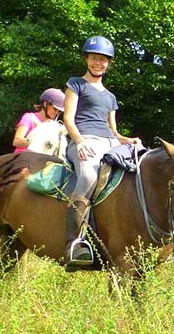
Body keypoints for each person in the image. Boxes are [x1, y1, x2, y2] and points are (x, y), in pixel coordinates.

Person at [63, 35, 141, 267]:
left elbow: (114, 132)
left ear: (109, 64)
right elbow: (68, 118)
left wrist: (129, 140)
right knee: (88, 176)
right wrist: (79, 142)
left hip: (108, 144)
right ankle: (74, 243)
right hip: (84, 140)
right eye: (94, 58)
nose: (98, 63)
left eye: (103, 60)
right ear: (87, 59)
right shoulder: (75, 83)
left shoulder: (110, 97)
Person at [12, 88, 65, 153]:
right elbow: (16, 141)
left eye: (59, 111)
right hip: (23, 156)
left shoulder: (54, 125)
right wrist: (39, 143)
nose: (57, 113)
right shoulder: (29, 117)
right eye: (55, 109)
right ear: (45, 104)